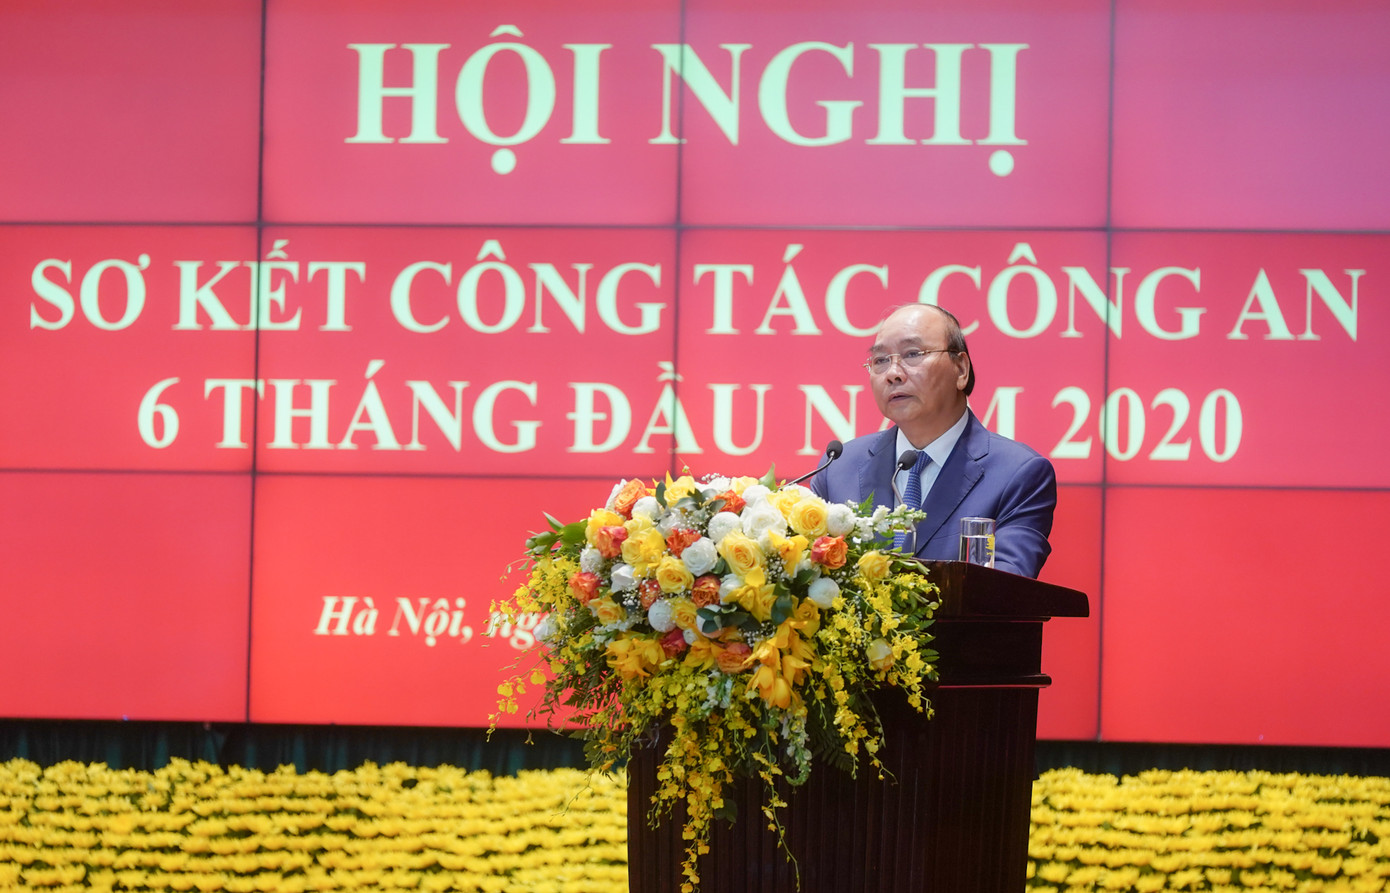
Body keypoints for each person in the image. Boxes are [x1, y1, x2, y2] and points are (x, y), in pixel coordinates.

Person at [810, 303, 1056, 578]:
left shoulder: (1018, 474)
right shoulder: (838, 468)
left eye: (913, 354)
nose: (893, 373)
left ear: (961, 369)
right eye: (880, 360)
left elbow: (1006, 588)